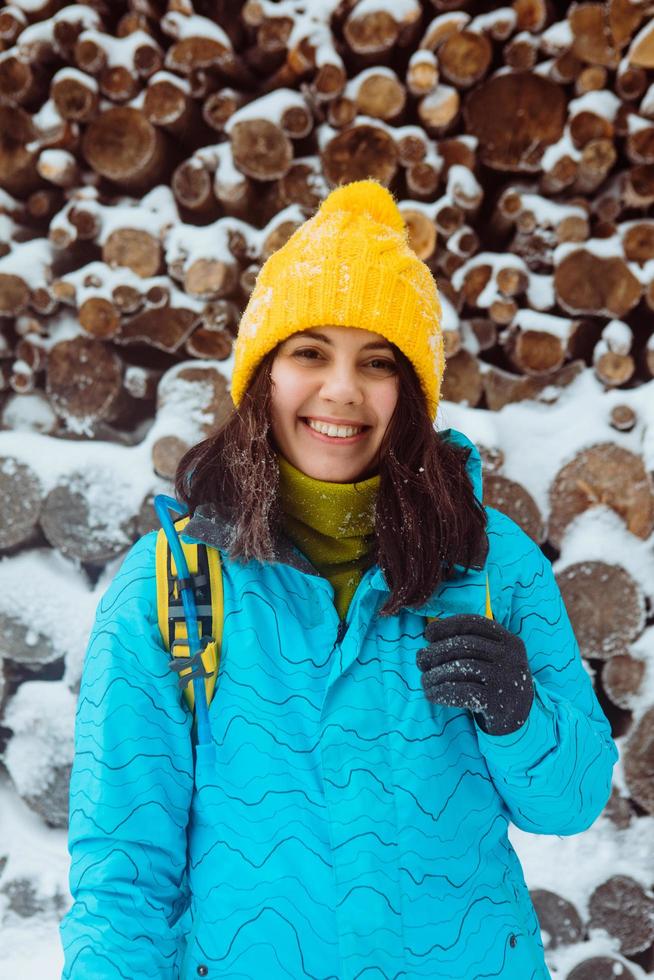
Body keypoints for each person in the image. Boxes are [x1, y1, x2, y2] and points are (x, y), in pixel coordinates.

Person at [60, 179, 618, 980]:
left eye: (377, 362)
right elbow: (123, 877)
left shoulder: (491, 562)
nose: (342, 391)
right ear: (264, 375)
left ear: (413, 394)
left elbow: (570, 802)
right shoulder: (173, 584)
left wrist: (523, 717)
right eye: (309, 352)